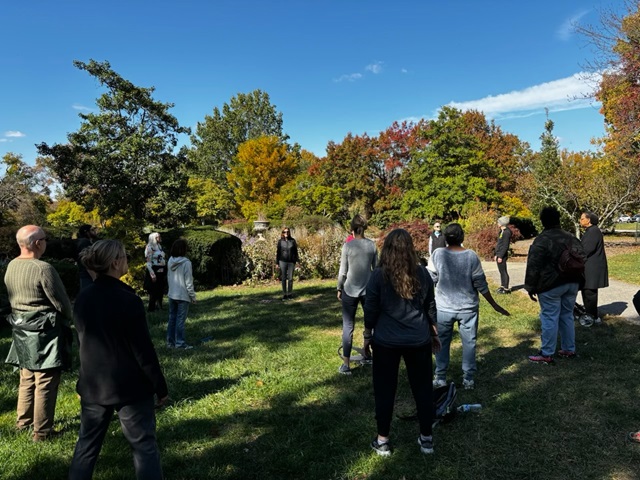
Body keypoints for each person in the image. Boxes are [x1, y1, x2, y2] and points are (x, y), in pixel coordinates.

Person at [69, 240, 168, 480]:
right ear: (115, 262)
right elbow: (142, 350)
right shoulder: (128, 300)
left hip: (93, 384)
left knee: (86, 446)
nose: (127, 260)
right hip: (130, 386)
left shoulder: (83, 298)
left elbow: (84, 343)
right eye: (124, 256)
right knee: (144, 446)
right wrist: (160, 387)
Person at [363, 229, 440, 456]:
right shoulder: (422, 273)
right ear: (410, 248)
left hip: (386, 342)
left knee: (385, 391)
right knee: (423, 389)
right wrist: (433, 332)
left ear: (386, 249)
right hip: (418, 340)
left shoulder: (378, 276)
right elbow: (430, 306)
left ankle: (383, 440)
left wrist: (368, 334)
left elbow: (371, 309)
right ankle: (426, 438)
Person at [4, 225, 73, 442]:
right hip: (44, 331)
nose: (46, 242)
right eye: (46, 238)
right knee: (45, 380)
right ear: (37, 243)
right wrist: (69, 318)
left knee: (26, 377)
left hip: (20, 328)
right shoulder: (43, 268)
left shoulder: (11, 265)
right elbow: (62, 303)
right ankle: (42, 432)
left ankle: (23, 422)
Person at [428, 223, 509, 390]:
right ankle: (468, 379)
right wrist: (494, 304)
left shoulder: (437, 254)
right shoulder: (471, 256)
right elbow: (480, 283)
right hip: (468, 309)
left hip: (444, 307)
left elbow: (431, 280)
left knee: (441, 342)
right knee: (469, 343)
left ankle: (440, 377)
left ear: (445, 238)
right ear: (462, 237)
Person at [524, 206, 585, 364]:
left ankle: (547, 353)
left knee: (549, 317)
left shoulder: (542, 240)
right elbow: (582, 257)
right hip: (572, 282)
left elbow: (533, 266)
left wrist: (530, 287)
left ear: (543, 221)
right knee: (567, 316)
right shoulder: (571, 237)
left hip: (550, 285)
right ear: (558, 219)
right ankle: (568, 349)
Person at [337, 215, 377, 374]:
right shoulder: (372, 246)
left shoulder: (348, 246)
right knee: (371, 325)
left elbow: (342, 272)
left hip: (349, 290)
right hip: (368, 290)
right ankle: (369, 355)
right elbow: (377, 270)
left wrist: (339, 287)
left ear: (352, 229)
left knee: (348, 326)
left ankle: (346, 365)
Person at [579, 211, 609, 326]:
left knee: (590, 292)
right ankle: (589, 314)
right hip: (590, 266)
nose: (580, 220)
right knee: (586, 291)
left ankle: (592, 317)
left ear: (589, 220)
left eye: (582, 218)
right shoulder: (591, 231)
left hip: (592, 267)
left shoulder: (593, 232)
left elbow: (586, 249)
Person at [166, 238, 196, 350]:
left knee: (172, 319)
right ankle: (180, 343)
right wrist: (192, 296)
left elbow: (169, 277)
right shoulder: (186, 263)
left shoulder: (170, 261)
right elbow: (189, 281)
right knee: (180, 320)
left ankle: (170, 343)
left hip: (172, 294)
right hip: (182, 295)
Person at [144, 232, 167, 312]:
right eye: (158, 237)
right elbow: (148, 262)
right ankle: (151, 308)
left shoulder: (159, 246)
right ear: (154, 238)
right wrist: (152, 274)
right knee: (153, 290)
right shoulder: (149, 247)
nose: (160, 238)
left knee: (160, 289)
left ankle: (159, 306)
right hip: (154, 270)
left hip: (161, 270)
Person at [276, 227, 299, 300]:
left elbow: (295, 252)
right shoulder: (280, 241)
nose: (286, 233)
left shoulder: (292, 241)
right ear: (282, 233)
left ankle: (289, 294)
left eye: (287, 232)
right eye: (284, 232)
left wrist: (297, 261)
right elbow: (278, 253)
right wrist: (277, 263)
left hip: (291, 261)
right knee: (283, 278)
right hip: (282, 261)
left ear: (289, 233)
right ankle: (284, 294)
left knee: (290, 278)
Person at [76, 224, 98, 290]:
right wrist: (94, 277)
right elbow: (87, 260)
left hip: (87, 275)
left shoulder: (84, 242)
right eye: (92, 230)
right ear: (87, 232)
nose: (95, 231)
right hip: (88, 276)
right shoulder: (85, 243)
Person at [494, 216, 512, 294]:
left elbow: (505, 246)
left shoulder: (506, 232)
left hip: (502, 255)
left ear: (502, 223)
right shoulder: (501, 231)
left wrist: (500, 256)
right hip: (499, 254)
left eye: (498, 222)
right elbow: (499, 244)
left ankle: (506, 288)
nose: (497, 223)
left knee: (503, 271)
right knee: (501, 271)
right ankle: (502, 286)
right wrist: (496, 254)